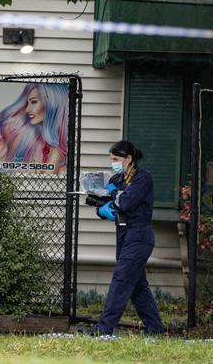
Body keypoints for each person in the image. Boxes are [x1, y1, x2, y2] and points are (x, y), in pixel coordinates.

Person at [91, 140, 165, 336]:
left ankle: (104, 328)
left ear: (129, 158)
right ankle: (156, 329)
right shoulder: (117, 178)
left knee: (122, 279)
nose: (113, 163)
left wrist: (112, 196)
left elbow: (126, 202)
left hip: (139, 234)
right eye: (111, 159)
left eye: (116, 159)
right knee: (137, 286)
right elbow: (105, 204)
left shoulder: (143, 178)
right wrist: (101, 204)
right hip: (124, 233)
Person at [0, 83, 68, 173]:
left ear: (52, 104)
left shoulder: (56, 153)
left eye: (34, 102)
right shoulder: (31, 141)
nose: (27, 109)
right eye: (27, 103)